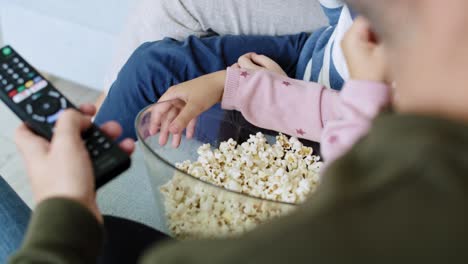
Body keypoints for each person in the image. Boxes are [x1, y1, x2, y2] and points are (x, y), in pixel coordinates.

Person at [5, 0, 468, 262]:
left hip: (309, 105)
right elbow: (357, 153)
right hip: (318, 72)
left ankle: (95, 172)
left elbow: (351, 162)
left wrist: (63, 208)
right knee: (155, 62)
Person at [94, 0, 355, 141]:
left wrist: (237, 85)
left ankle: (89, 163)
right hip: (319, 49)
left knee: (152, 70)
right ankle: (96, 132)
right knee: (153, 63)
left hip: (309, 96)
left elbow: (357, 121)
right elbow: (344, 19)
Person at [96, 0, 327, 109]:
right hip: (331, 29)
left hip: (326, 38)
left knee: (152, 64)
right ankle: (102, 117)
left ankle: (99, 135)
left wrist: (222, 82)